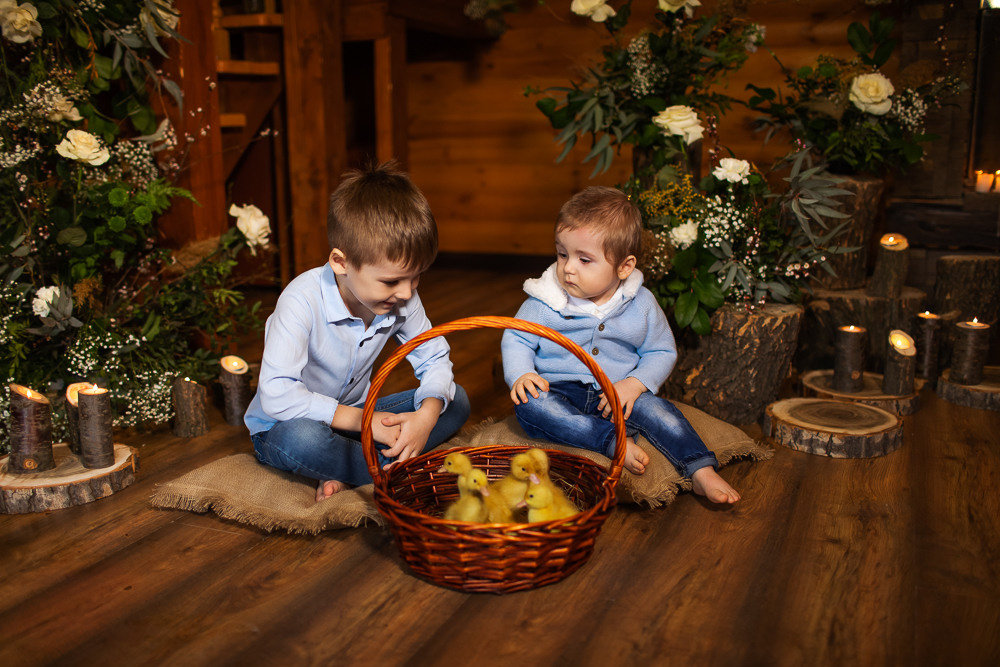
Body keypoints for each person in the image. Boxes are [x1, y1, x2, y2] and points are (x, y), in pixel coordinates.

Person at [245, 161, 470, 501]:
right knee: (303, 440)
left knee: (455, 400)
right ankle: (391, 470)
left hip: (358, 420)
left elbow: (435, 357)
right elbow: (277, 395)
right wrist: (365, 422)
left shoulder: (401, 298)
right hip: (285, 425)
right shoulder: (300, 301)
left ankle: (349, 468)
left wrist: (424, 419)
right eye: (392, 281)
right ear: (341, 263)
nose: (408, 293)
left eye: (416, 277)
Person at [501, 186, 740, 504]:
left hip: (617, 393)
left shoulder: (640, 303)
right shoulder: (546, 299)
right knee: (532, 407)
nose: (568, 267)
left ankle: (700, 469)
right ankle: (613, 442)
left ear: (624, 267)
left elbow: (661, 350)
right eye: (562, 254)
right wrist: (521, 373)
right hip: (557, 390)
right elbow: (517, 336)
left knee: (661, 413)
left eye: (584, 260)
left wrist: (636, 383)